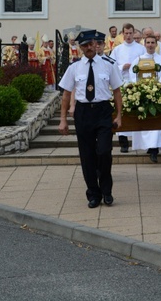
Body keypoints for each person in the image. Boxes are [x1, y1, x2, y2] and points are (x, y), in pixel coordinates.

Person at [58, 30, 122, 208]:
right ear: (80, 48)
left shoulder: (108, 65)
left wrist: (119, 115)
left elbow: (117, 91)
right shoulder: (74, 67)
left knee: (103, 152)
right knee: (87, 156)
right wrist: (63, 119)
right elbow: (66, 94)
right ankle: (93, 193)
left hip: (102, 111)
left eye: (91, 44)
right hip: (83, 112)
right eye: (84, 45)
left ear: (96, 44)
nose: (88, 48)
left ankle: (107, 191)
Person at [129, 35, 161, 162]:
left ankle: (155, 149)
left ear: (156, 44)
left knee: (156, 123)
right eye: (148, 42)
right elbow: (132, 75)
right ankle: (147, 146)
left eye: (152, 42)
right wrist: (140, 85)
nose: (150, 45)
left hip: (157, 94)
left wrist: (158, 83)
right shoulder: (138, 59)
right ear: (144, 44)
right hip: (142, 95)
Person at [111, 23, 146, 152]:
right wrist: (122, 67)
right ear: (123, 34)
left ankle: (139, 142)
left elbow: (145, 63)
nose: (129, 35)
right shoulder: (117, 50)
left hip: (136, 83)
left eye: (131, 33)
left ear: (133, 33)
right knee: (122, 110)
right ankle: (123, 143)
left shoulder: (140, 49)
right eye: (126, 33)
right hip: (122, 83)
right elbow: (112, 66)